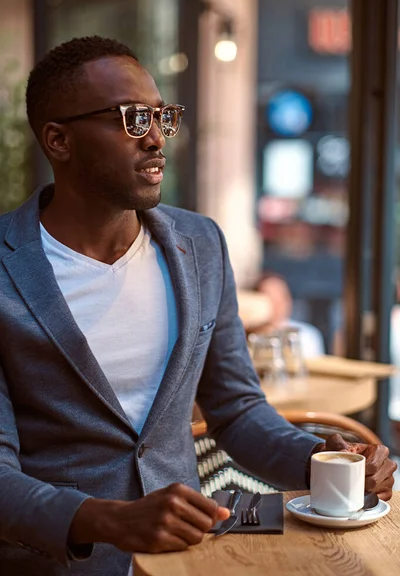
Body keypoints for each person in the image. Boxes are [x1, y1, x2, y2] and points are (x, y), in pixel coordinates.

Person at [0, 36, 396, 576]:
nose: (157, 138)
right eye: (133, 119)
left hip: (190, 561)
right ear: (58, 140)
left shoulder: (199, 244)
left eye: (163, 116)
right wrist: (104, 520)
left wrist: (317, 458)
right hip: (50, 565)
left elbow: (236, 410)